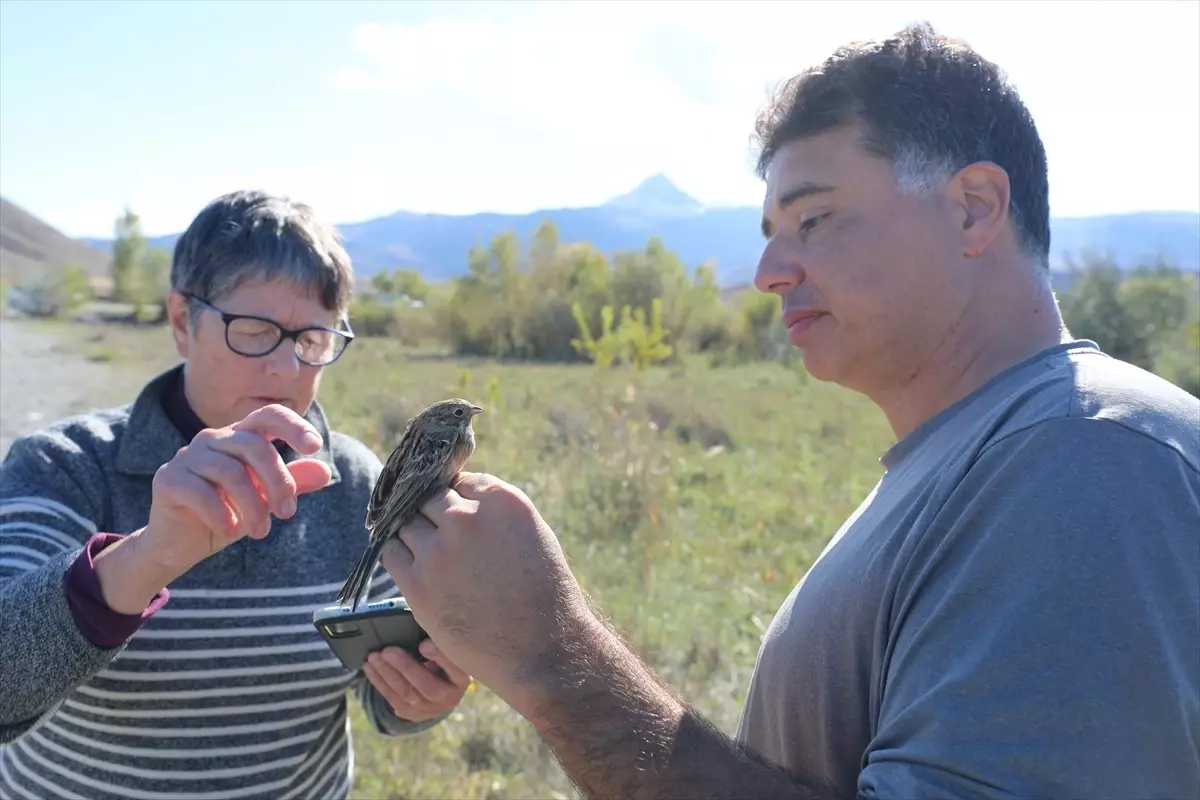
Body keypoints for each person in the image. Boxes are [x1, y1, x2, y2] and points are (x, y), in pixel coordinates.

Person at [376, 22, 1200, 800]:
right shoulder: (987, 457)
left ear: (974, 208)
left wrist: (552, 656)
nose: (769, 270)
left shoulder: (1086, 458)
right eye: (771, 231)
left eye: (813, 218)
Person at [0, 190, 470, 799]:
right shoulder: (64, 467)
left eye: (311, 341)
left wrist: (424, 692)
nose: (284, 369)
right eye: (254, 331)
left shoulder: (356, 482)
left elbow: (383, 699)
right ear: (180, 322)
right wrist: (150, 556)